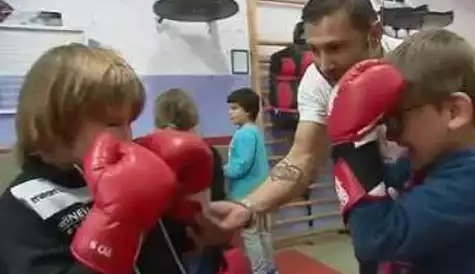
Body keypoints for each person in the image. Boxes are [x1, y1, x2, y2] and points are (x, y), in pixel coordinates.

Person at [206, 0, 386, 273]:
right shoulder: (318, 81)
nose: (324, 64)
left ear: (374, 35)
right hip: (376, 222)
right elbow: (303, 157)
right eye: (314, 49)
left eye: (336, 47)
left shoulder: (417, 62)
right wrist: (247, 207)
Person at [327, 29, 475, 274]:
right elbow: (373, 204)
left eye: (397, 119)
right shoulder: (427, 160)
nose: (391, 134)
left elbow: (376, 240)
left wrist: (351, 146)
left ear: (454, 112)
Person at [0, 43, 212, 274]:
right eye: (114, 124)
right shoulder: (22, 207)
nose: (127, 135)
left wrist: (195, 224)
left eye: (129, 123)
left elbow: (160, 248)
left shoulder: (110, 174)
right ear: (59, 119)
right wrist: (113, 227)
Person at [154, 88, 230, 274]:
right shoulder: (206, 151)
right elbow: (217, 197)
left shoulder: (148, 153)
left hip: (170, 238)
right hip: (197, 235)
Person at [224, 88, 278, 274]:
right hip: (260, 191)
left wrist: (220, 170)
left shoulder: (244, 134)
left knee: (251, 235)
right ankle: (270, 269)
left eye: (234, 108)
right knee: (261, 232)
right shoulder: (254, 131)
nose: (229, 112)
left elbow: (241, 165)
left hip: (247, 193)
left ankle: (261, 271)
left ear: (247, 110)